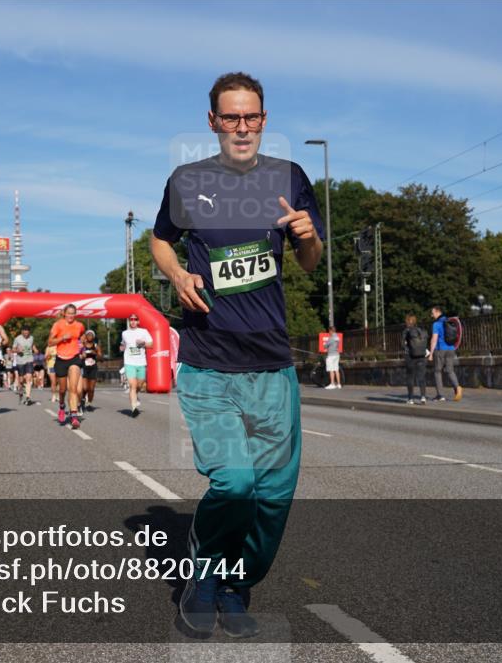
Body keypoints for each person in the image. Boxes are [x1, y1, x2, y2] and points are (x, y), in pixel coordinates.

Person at [150, 72, 324, 638]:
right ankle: (203, 576)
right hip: (208, 362)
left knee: (272, 495)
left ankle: (237, 583)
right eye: (231, 117)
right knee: (235, 483)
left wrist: (306, 234)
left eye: (251, 117)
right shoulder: (187, 180)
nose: (242, 127)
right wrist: (175, 272)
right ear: (213, 122)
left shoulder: (289, 177)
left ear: (264, 119)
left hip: (272, 364)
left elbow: (310, 262)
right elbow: (159, 239)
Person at [48, 303, 86, 429]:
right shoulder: (58, 325)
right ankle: (62, 406)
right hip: (61, 359)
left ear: (75, 314)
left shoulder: (79, 325)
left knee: (73, 389)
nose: (71, 316)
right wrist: (62, 338)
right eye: (69, 313)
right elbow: (50, 342)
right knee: (62, 390)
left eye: (73, 313)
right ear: (64, 313)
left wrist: (82, 346)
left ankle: (74, 417)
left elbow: (82, 337)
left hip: (74, 358)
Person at [120, 314, 153, 416]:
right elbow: (123, 344)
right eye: (131, 320)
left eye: (135, 320)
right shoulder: (124, 333)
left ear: (138, 321)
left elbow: (151, 345)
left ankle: (135, 395)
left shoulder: (143, 332)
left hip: (141, 362)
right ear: (129, 321)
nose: (133, 321)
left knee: (140, 384)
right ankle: (134, 408)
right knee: (132, 385)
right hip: (129, 362)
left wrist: (143, 343)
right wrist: (121, 347)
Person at [429, 306, 462, 402]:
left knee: (437, 371)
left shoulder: (436, 324)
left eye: (432, 313)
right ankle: (457, 387)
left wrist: (431, 353)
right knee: (450, 370)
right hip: (451, 349)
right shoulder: (449, 321)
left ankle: (440, 395)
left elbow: (434, 339)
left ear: (437, 312)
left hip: (440, 350)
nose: (431, 315)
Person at [402, 314, 428, 404]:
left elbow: (403, 344)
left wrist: (407, 348)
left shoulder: (406, 330)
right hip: (422, 356)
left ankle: (410, 399)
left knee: (410, 377)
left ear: (407, 321)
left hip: (411, 357)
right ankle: (423, 397)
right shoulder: (421, 330)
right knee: (421, 377)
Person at [80, 329, 102, 412]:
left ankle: (89, 403)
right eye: (88, 335)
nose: (89, 336)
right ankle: (82, 399)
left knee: (91, 389)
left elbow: (101, 358)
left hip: (93, 368)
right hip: (84, 367)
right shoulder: (82, 345)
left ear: (93, 337)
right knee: (85, 388)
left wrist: (95, 353)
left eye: (91, 335)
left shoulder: (96, 346)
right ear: (86, 336)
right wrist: (82, 355)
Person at [12, 326, 36, 405]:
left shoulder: (31, 338)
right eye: (24, 333)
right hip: (20, 361)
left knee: (29, 378)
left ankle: (28, 397)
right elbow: (13, 349)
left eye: (27, 333)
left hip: (29, 360)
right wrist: (18, 350)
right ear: (22, 332)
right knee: (21, 380)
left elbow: (32, 345)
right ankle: (21, 391)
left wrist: (35, 349)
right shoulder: (17, 339)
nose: (26, 334)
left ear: (29, 332)